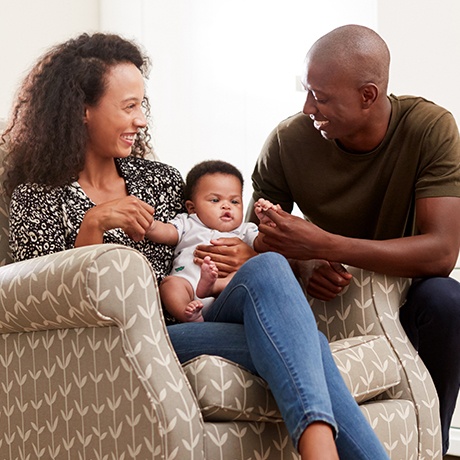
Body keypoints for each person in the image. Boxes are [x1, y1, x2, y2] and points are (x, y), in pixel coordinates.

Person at [2, 32, 389, 460]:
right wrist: (93, 224)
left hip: (192, 318)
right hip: (120, 342)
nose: (141, 120)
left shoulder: (160, 180)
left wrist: (246, 252)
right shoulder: (37, 197)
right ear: (83, 111)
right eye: (128, 107)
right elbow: (40, 299)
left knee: (269, 268)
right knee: (306, 344)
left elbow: (195, 241)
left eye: (141, 106)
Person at [244, 24, 460, 455]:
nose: (307, 107)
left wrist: (323, 245)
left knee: (447, 302)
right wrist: (304, 266)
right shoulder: (289, 141)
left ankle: (429, 444)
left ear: (368, 95)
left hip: (406, 290)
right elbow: (256, 235)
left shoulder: (429, 128)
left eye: (321, 97)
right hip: (327, 300)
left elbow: (441, 252)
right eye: (306, 91)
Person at [146, 159, 275, 322]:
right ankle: (188, 314)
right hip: (188, 285)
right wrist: (149, 226)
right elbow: (168, 232)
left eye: (234, 201)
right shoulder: (188, 221)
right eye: (215, 200)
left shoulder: (245, 230)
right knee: (169, 284)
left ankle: (213, 286)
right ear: (192, 207)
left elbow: (262, 245)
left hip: (224, 295)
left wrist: (266, 225)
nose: (226, 206)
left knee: (245, 273)